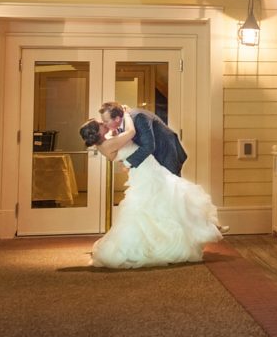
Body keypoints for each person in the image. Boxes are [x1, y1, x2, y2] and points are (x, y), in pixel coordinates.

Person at [77, 105, 223, 268]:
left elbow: (128, 142)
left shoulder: (106, 142)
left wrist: (127, 160)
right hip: (146, 171)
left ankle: (202, 226)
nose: (104, 123)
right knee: (168, 199)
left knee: (170, 198)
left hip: (149, 166)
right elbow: (131, 133)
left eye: (105, 121)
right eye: (101, 124)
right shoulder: (110, 142)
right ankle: (190, 232)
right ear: (98, 132)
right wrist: (125, 114)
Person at [99, 101, 186, 176]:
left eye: (106, 121)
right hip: (153, 159)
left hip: (166, 154)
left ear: (117, 119)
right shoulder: (121, 124)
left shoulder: (138, 117)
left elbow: (149, 146)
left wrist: (128, 163)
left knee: (171, 187)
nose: (104, 124)